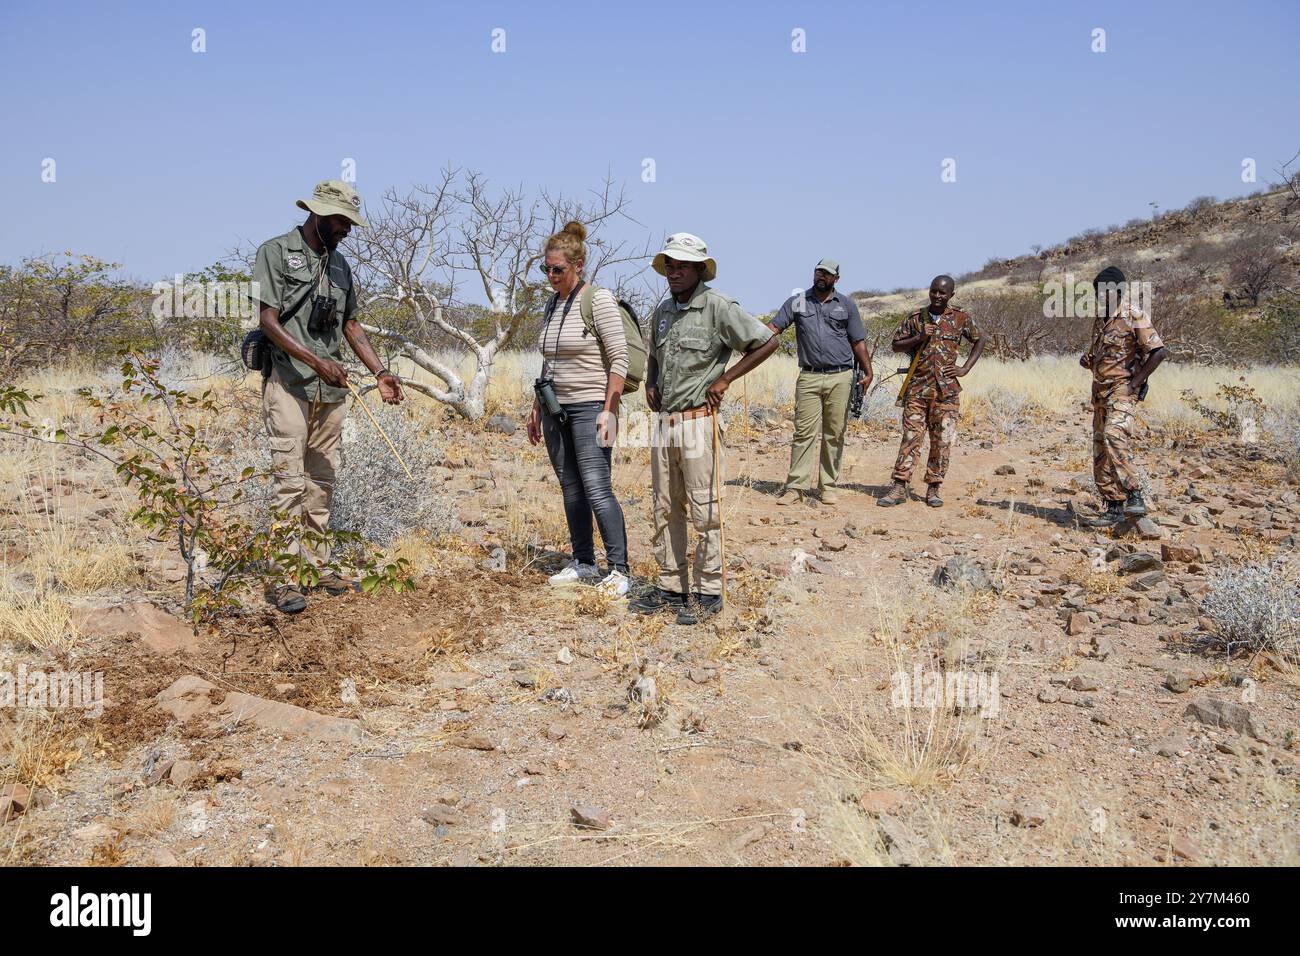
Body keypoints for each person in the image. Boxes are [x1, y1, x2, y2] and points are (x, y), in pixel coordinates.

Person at [253, 179, 404, 614]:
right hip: (289, 382)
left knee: (322, 480)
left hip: (330, 391)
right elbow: (268, 320)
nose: (347, 230)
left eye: (350, 223)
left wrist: (380, 372)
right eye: (342, 222)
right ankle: (282, 578)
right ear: (318, 214)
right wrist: (317, 362)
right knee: (289, 481)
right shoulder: (276, 252)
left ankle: (316, 567)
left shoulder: (340, 266)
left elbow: (351, 326)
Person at [629, 233, 779, 625]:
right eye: (669, 266)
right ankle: (671, 585)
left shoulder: (718, 307)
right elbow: (654, 356)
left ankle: (709, 590)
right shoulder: (662, 311)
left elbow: (765, 342)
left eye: (682, 266)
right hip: (665, 426)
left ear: (699, 269)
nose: (674, 273)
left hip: (699, 423)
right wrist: (650, 381)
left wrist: (725, 379)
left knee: (705, 507)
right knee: (664, 505)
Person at [526, 221, 632, 596]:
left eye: (559, 269)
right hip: (556, 409)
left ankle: (619, 570)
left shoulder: (598, 299)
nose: (551, 276)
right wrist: (537, 407)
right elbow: (548, 361)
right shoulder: (552, 304)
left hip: (592, 407)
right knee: (570, 488)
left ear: (579, 265)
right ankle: (584, 562)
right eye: (546, 269)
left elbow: (620, 359)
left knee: (596, 488)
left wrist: (609, 410)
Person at [768, 258, 873, 506]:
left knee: (834, 433)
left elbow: (858, 342)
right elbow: (774, 327)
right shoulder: (798, 301)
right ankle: (795, 487)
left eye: (826, 274)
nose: (820, 277)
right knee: (803, 432)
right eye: (818, 272)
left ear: (836, 279)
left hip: (841, 376)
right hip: (809, 376)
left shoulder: (846, 305)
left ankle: (828, 486)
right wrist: (748, 340)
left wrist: (868, 372)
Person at [878, 274, 984, 508]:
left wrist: (965, 368)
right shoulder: (916, 318)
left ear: (951, 295)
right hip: (917, 389)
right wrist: (919, 337)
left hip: (946, 392)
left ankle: (934, 488)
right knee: (910, 438)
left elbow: (980, 339)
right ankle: (899, 486)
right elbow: (896, 345)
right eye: (934, 291)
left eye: (942, 293)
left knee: (942, 441)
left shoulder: (960, 318)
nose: (937, 296)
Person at [1080, 265, 1166, 524]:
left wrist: (1135, 383)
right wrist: (1089, 359)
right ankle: (1114, 507)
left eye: (1106, 290)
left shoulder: (1133, 314)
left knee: (1114, 435)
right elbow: (1102, 353)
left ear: (1118, 290)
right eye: (1098, 291)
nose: (1101, 295)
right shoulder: (1100, 319)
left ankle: (1135, 494)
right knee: (1100, 447)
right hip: (1100, 392)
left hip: (1122, 390)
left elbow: (1158, 352)